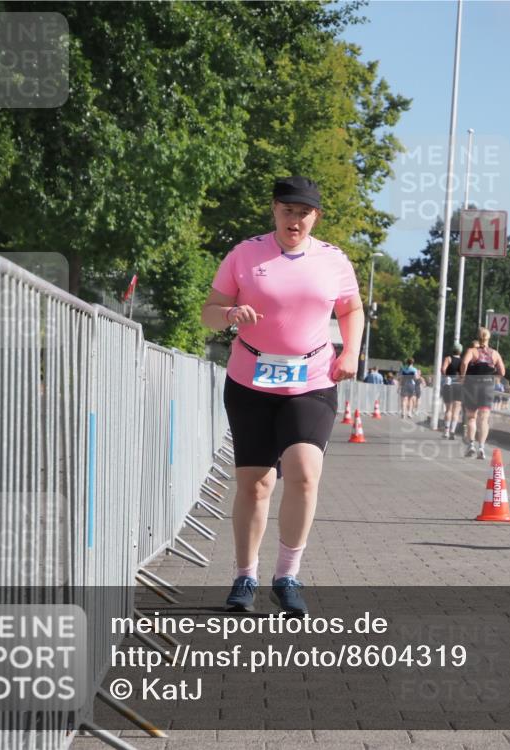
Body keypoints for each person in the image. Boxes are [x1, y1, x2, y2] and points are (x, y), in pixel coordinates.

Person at [201, 175, 363, 615]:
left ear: (316, 216)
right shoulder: (245, 254)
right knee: (255, 486)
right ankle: (244, 575)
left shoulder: (333, 260)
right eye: (287, 210)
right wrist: (231, 313)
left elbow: (351, 308)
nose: (295, 219)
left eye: (304, 212)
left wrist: (352, 350)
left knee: (304, 471)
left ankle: (287, 575)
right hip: (250, 379)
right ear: (274, 210)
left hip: (311, 378)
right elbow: (209, 313)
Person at [460, 327, 506, 459]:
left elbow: (464, 362)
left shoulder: (472, 351)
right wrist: (494, 377)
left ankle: (471, 445)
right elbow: (502, 372)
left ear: (478, 337)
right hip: (487, 386)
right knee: (484, 419)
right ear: (488, 338)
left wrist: (463, 376)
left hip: (472, 385)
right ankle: (481, 447)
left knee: (471, 417)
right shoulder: (494, 354)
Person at [440, 345, 463, 439]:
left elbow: (443, 369)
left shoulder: (448, 359)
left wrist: (446, 376)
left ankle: (446, 431)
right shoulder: (463, 361)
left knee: (448, 409)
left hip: (449, 385)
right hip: (459, 385)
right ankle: (453, 431)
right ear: (460, 351)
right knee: (456, 411)